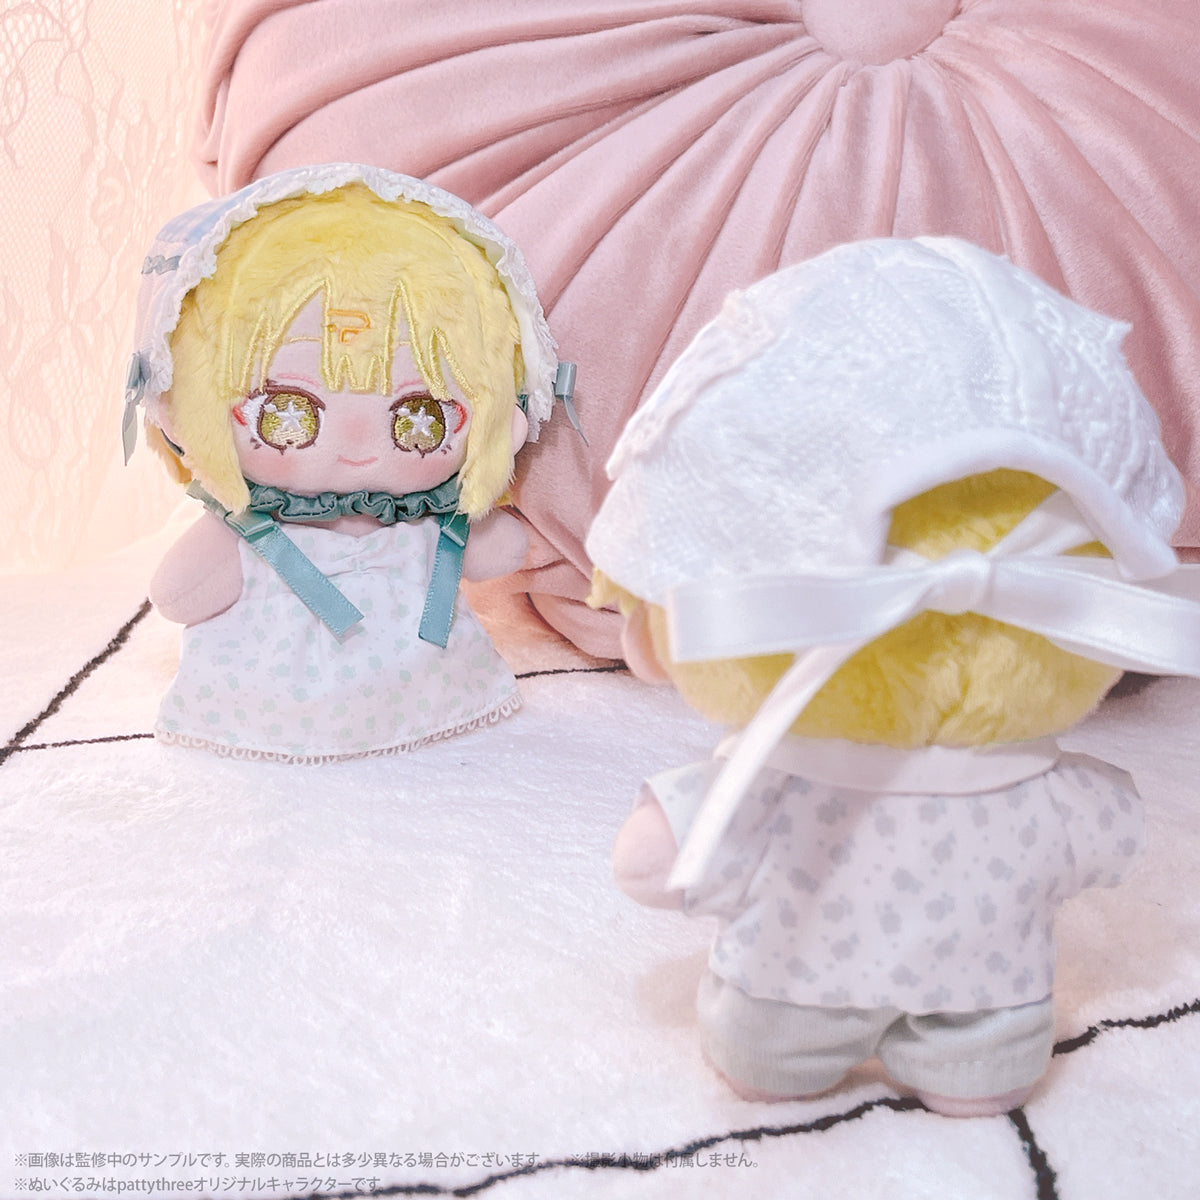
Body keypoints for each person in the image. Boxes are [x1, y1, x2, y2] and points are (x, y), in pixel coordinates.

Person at [585, 236, 1200, 1115]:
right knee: (988, 1046)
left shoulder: (769, 793)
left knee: (766, 1045)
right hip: (993, 996)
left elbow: (649, 864)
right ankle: (977, 1063)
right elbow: (1115, 834)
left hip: (783, 987)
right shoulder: (1056, 801)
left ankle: (779, 1056)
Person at [125, 164, 559, 761]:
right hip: (270, 717)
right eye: (288, 413)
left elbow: (499, 551)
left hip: (438, 699)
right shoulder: (248, 533)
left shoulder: (425, 519)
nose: (358, 443)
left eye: (420, 415)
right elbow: (178, 593)